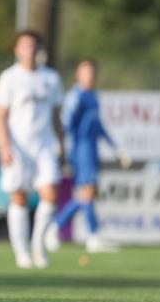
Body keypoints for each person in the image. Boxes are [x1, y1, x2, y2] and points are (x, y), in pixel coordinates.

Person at [0, 30, 64, 270]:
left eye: (33, 46)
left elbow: (56, 115)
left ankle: (38, 244)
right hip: (18, 147)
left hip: (44, 145)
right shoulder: (9, 77)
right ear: (17, 50)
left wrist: (61, 142)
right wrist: (5, 146)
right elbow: (1, 116)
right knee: (19, 197)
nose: (30, 50)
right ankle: (21, 252)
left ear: (39, 49)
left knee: (51, 193)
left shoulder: (51, 78)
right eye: (25, 46)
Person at [45, 59, 129, 254]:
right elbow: (66, 124)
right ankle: (70, 230)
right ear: (78, 74)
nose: (90, 76)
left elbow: (98, 126)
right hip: (80, 148)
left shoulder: (93, 97)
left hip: (91, 148)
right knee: (88, 191)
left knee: (88, 193)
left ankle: (77, 232)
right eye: (86, 72)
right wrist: (64, 149)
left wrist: (115, 148)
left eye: (92, 73)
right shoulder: (75, 97)